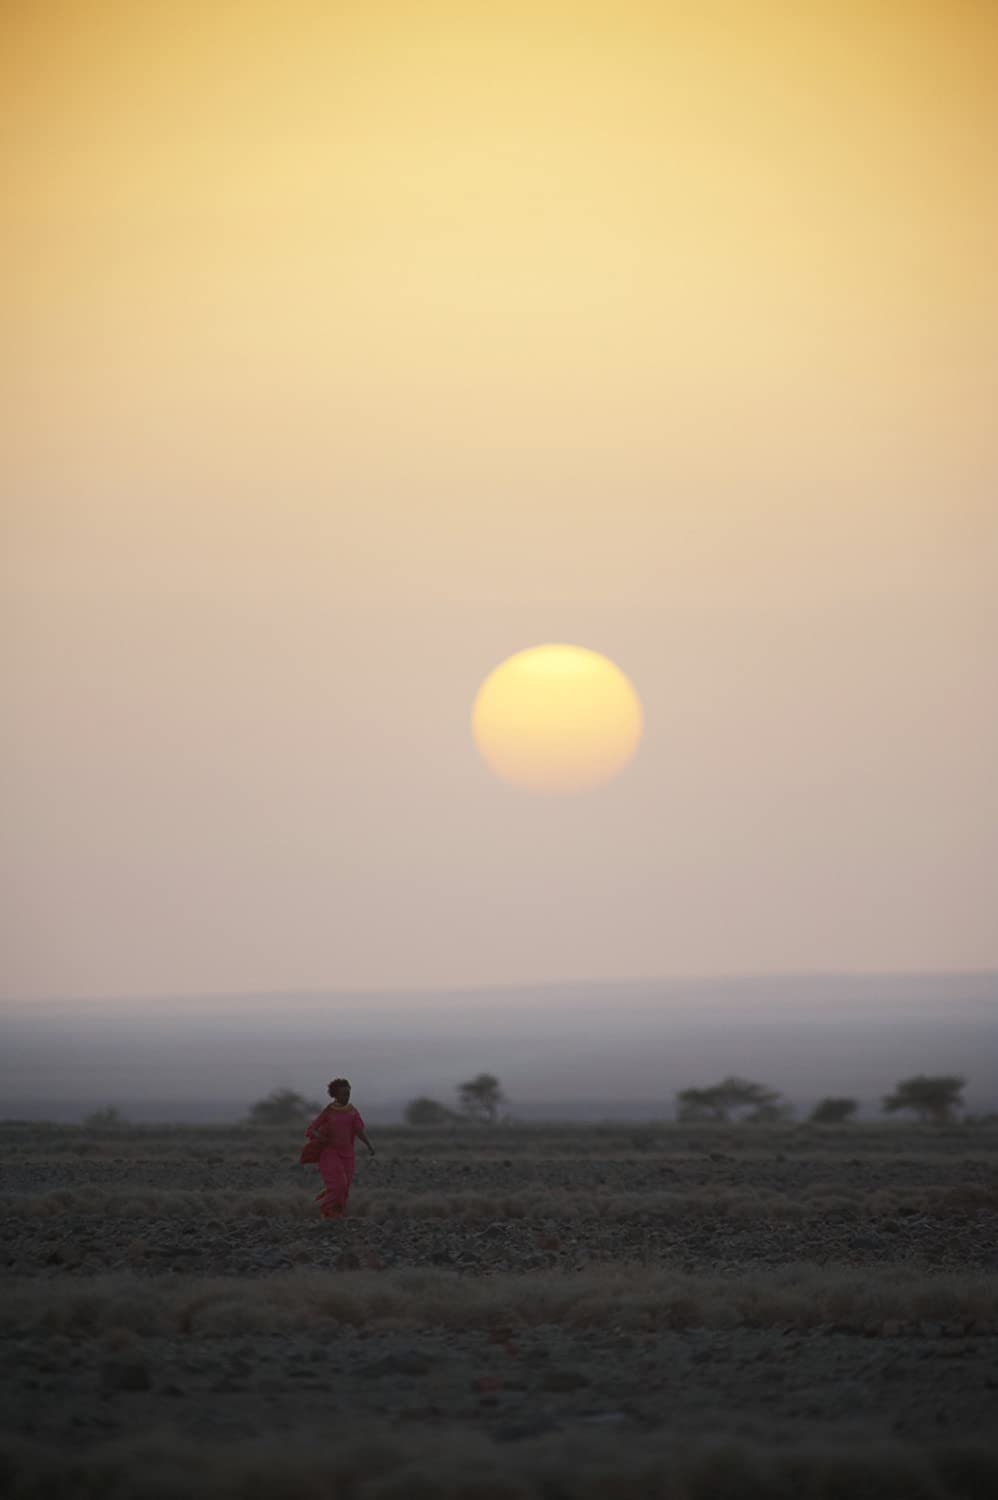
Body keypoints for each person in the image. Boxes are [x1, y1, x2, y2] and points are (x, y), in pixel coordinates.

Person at [300, 1078, 375, 1220]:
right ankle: (326, 1210)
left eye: (348, 1094)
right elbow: (311, 1129)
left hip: (348, 1155)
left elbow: (359, 1131)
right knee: (339, 1184)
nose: (346, 1097)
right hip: (330, 1153)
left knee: (345, 1188)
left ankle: (336, 1215)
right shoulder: (329, 1111)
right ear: (335, 1095)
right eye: (343, 1094)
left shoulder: (353, 1112)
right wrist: (321, 1138)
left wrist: (369, 1146)